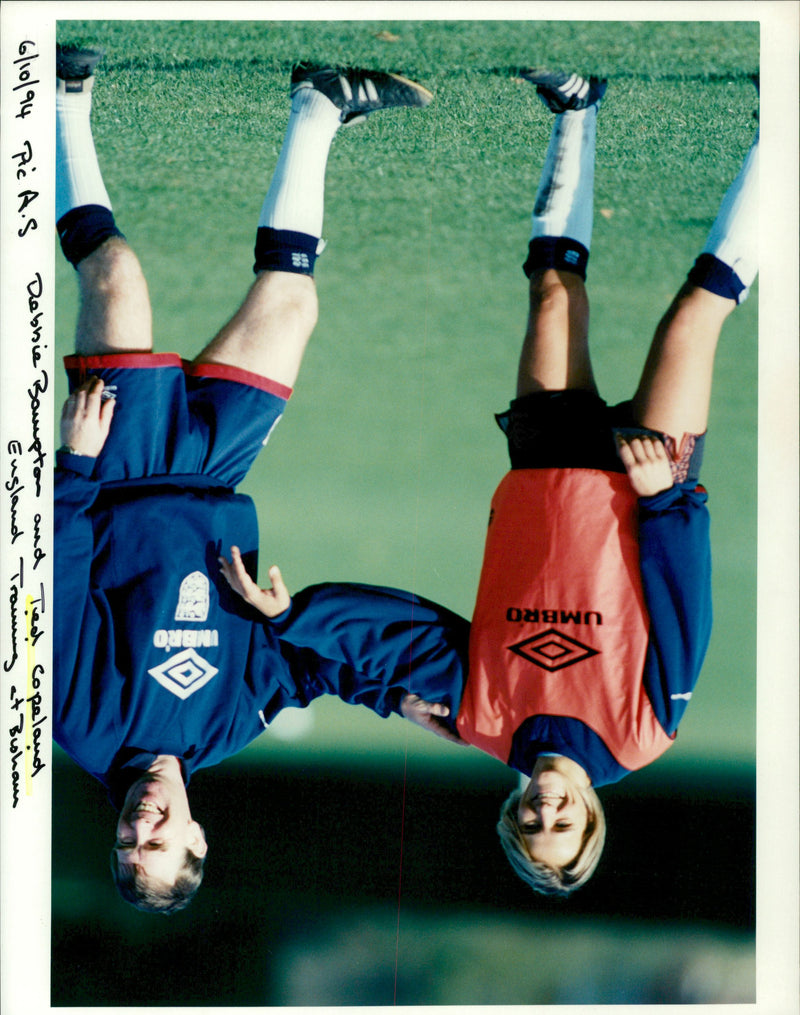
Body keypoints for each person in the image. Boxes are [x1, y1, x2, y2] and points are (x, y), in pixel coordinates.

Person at [218, 69, 759, 896]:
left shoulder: (485, 722)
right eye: (564, 823)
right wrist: (669, 501)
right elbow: (689, 611)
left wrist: (298, 613)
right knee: (697, 310)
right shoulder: (643, 734)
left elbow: (405, 637)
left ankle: (576, 107)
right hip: (645, 483)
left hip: (541, 481)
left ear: (511, 815)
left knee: (550, 295)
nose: (546, 811)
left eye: (530, 825)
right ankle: (776, 137)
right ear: (591, 814)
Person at [53, 43, 437, 914]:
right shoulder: (232, 728)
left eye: (126, 839)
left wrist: (75, 462)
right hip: (216, 478)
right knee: (292, 304)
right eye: (159, 842)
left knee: (114, 275)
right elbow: (309, 668)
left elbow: (60, 585)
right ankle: (319, 106)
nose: (140, 825)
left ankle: (62, 97)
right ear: (196, 837)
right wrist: (394, 698)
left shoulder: (82, 727)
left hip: (121, 471)